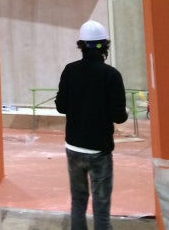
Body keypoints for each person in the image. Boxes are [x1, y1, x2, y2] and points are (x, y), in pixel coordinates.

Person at [55, 20, 128, 230]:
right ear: (104, 45)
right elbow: (119, 117)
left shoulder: (70, 70)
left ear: (81, 45)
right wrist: (124, 112)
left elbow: (61, 106)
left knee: (78, 201)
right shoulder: (111, 75)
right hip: (99, 150)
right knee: (101, 206)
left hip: (73, 148)